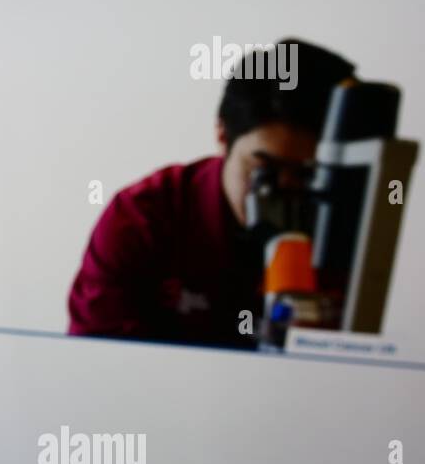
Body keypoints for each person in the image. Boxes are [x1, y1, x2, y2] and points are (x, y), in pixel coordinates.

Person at [67, 40, 357, 349]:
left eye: (306, 175)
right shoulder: (140, 220)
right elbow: (96, 363)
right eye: (265, 171)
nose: (285, 197)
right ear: (222, 135)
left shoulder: (343, 225)